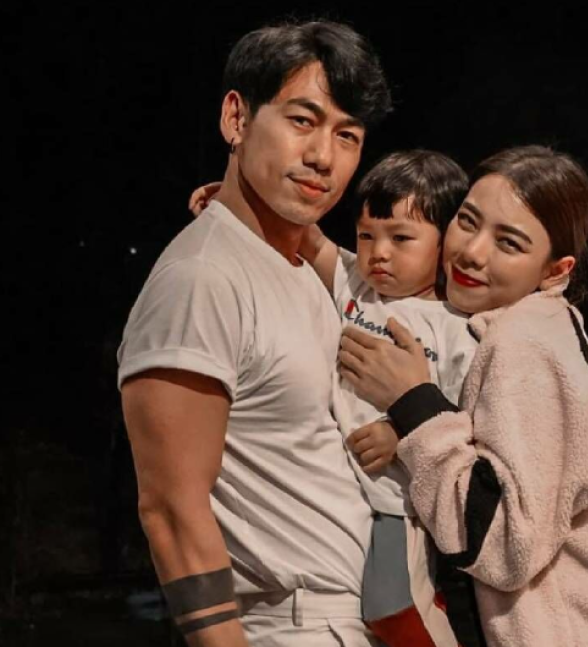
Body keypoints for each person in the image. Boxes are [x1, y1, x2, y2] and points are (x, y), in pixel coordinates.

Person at [338, 145, 588, 647]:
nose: (473, 252)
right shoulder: (542, 327)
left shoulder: (526, 347)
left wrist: (413, 402)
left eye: (509, 243)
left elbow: (504, 544)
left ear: (556, 270)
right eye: (467, 221)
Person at [117, 20, 391, 647]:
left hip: (360, 619)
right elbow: (171, 509)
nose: (323, 156)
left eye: (346, 135)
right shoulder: (202, 278)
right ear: (236, 119)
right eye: (302, 120)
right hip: (290, 623)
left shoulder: (303, 270)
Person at [190, 149, 475, 647]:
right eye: (366, 236)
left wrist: (400, 430)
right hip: (338, 494)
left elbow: (466, 419)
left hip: (395, 502)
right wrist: (234, 202)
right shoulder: (356, 286)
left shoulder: (456, 329)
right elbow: (309, 236)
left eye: (400, 238)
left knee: (392, 606)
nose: (378, 252)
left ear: (446, 242)